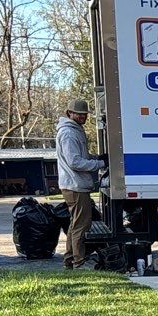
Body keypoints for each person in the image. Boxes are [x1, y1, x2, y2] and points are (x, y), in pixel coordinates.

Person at [55, 97, 106, 268]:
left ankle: (70, 259)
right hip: (75, 185)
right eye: (79, 114)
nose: (83, 117)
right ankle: (78, 262)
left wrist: (95, 158)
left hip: (74, 184)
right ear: (69, 113)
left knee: (75, 224)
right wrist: (100, 164)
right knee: (81, 225)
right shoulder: (69, 133)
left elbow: (81, 156)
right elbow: (75, 162)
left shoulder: (75, 130)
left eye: (85, 114)